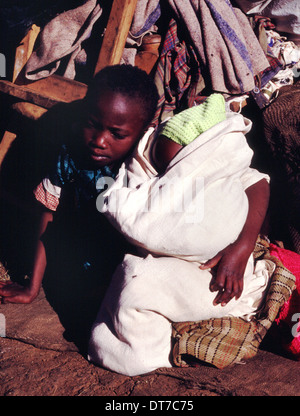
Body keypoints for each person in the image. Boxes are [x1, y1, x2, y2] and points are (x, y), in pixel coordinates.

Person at [88, 93, 274, 376]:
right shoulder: (143, 160)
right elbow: (136, 213)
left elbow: (257, 182)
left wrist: (242, 247)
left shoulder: (216, 159)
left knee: (137, 287)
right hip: (164, 269)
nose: (174, 175)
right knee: (135, 286)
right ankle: (165, 343)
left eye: (179, 166)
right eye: (167, 169)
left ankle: (193, 325)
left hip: (221, 271)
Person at [0, 64, 159, 304]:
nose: (99, 141)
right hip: (75, 260)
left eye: (117, 134)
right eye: (92, 124)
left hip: (125, 267)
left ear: (143, 132)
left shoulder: (143, 170)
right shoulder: (71, 157)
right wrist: (32, 287)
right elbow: (48, 215)